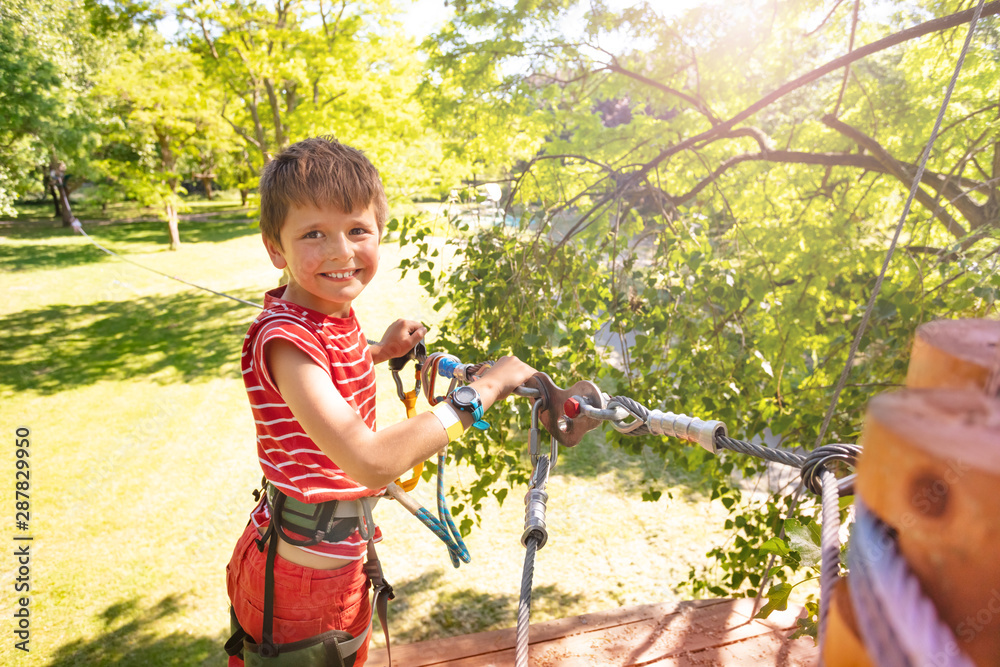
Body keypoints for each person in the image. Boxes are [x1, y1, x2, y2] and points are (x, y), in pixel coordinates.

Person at [225, 137, 537, 666]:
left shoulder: (324, 315)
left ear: (379, 233)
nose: (341, 251)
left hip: (326, 564)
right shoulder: (284, 339)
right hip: (301, 583)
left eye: (356, 230)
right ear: (275, 248)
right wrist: (484, 390)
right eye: (313, 234)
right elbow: (369, 457)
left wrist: (381, 350)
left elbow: (330, 368)